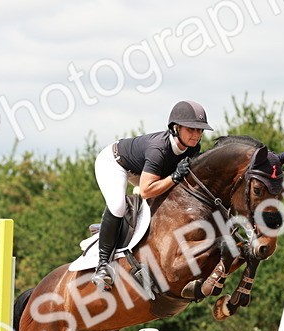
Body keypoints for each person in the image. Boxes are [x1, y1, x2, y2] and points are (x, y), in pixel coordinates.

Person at [91, 100, 213, 290]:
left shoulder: (192, 148)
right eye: (191, 129)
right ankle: (102, 265)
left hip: (145, 169)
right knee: (117, 206)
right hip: (116, 163)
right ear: (176, 128)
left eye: (199, 131)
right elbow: (147, 189)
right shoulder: (159, 149)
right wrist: (173, 177)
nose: (196, 135)